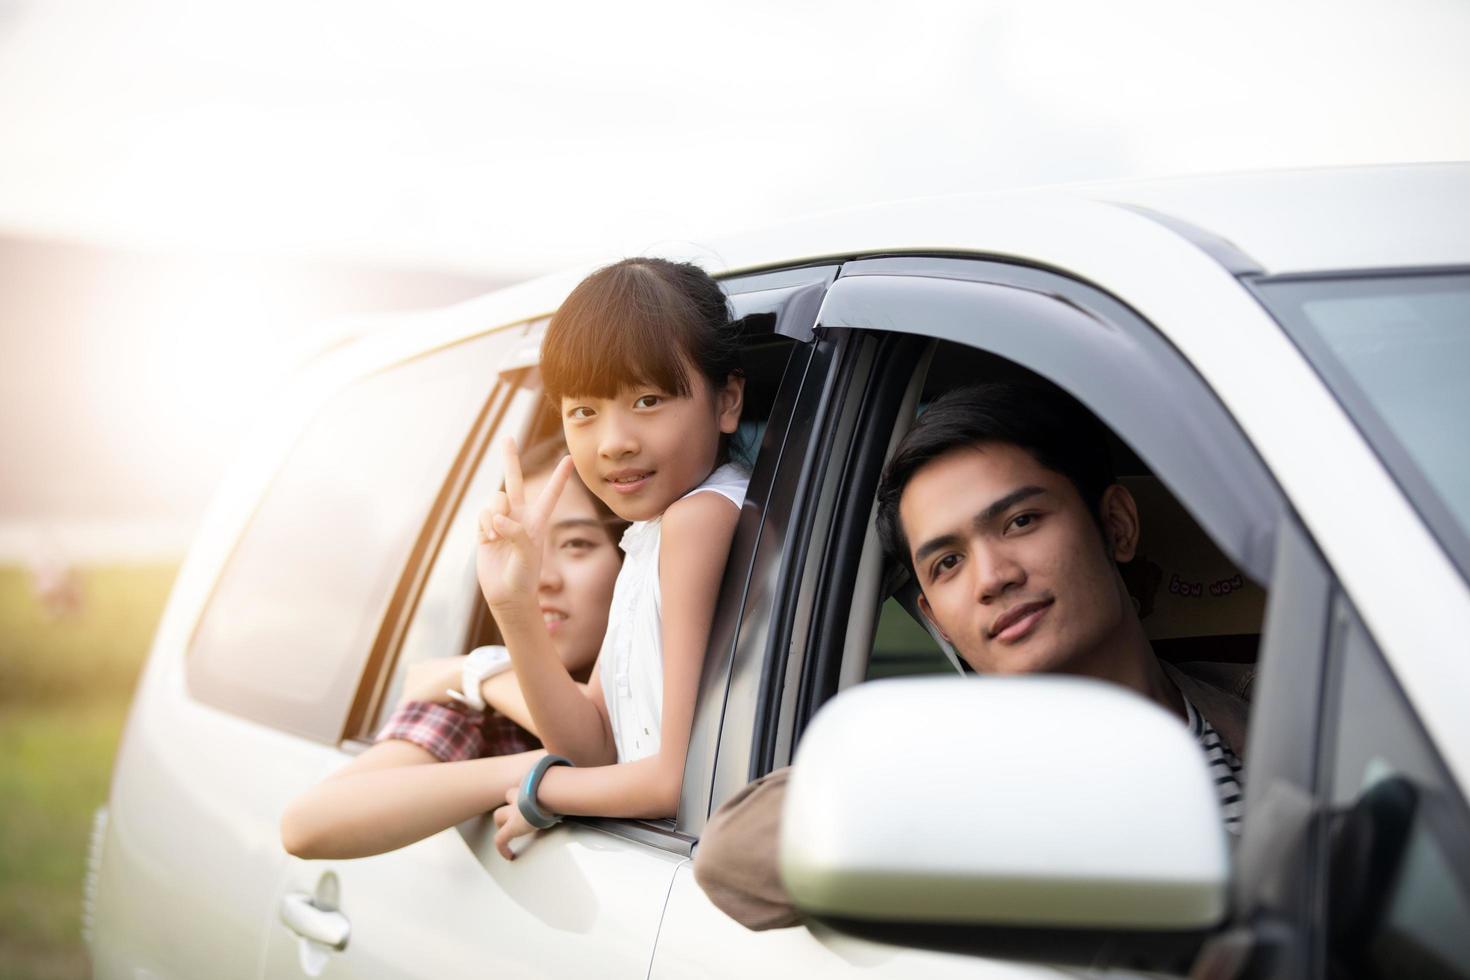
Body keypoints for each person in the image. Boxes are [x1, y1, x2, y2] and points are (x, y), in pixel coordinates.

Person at [692, 381, 1250, 930]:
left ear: (1116, 526)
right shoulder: (976, 772)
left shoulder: (1281, 706)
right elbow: (733, 855)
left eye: (1021, 522)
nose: (993, 578)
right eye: (948, 563)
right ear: (938, 622)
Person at [478, 257, 748, 859]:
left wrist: (538, 791)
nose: (614, 441)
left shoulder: (696, 519)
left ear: (727, 401)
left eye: (648, 400)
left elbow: (669, 780)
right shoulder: (652, 531)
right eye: (583, 411)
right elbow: (596, 743)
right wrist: (512, 604)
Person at [279, 442, 625, 859]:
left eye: (575, 544)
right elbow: (307, 825)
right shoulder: (480, 713)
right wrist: (548, 768)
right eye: (518, 545)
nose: (539, 576)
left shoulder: (680, 696)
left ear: (632, 561)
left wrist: (477, 671)